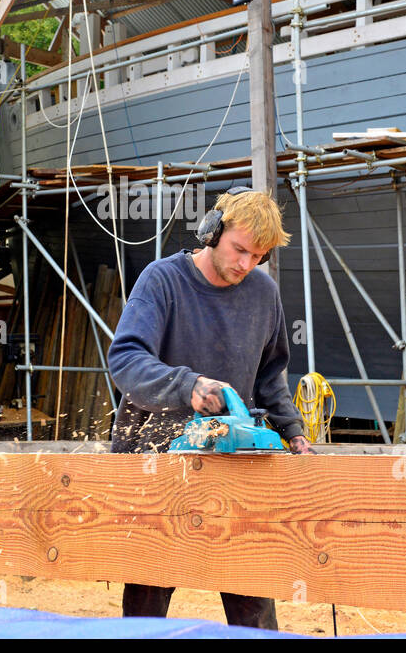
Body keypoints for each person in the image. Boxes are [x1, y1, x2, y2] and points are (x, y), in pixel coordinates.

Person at [106, 186, 314, 630]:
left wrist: (293, 433)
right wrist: (188, 385)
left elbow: (268, 376)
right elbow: (125, 359)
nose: (245, 264)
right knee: (147, 596)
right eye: (239, 249)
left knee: (251, 594)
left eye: (257, 257)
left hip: (235, 461)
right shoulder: (162, 281)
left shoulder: (262, 293)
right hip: (158, 458)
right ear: (212, 230)